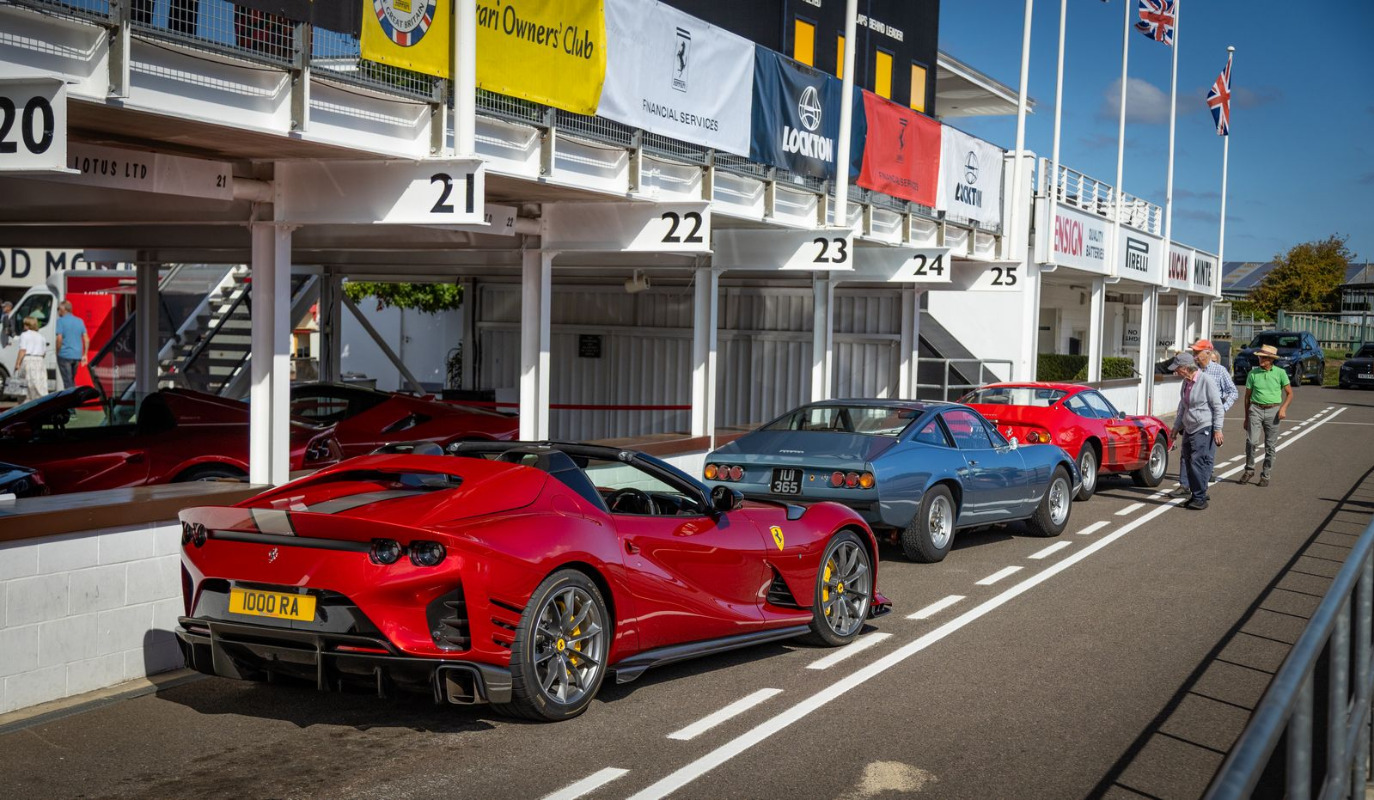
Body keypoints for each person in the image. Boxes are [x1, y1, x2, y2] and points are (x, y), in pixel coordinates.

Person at [1172, 339, 1238, 496]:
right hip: (1190, 419)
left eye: (1197, 352)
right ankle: (1185, 485)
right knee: (1186, 454)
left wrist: (1221, 410)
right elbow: (1184, 401)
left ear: (1208, 352)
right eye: (1193, 352)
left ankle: (1201, 489)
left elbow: (1233, 392)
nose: (1194, 355)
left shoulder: (1219, 371)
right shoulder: (1191, 371)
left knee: (1204, 457)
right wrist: (1177, 424)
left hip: (1208, 420)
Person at [1169, 351, 1224, 510]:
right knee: (1187, 461)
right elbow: (1183, 407)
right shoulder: (1186, 382)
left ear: (1186, 368)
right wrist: (1176, 427)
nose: (1176, 371)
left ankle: (1200, 497)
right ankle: (1196, 495)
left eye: (1178, 368)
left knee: (1197, 461)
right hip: (1189, 426)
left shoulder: (1206, 381)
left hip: (1203, 426)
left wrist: (1218, 429)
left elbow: (1218, 407)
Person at [1240, 343, 1293, 487]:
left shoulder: (1280, 373)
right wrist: (1246, 417)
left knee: (1270, 445)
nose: (1261, 360)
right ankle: (1249, 470)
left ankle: (1266, 474)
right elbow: (1247, 397)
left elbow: (1290, 393)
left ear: (1271, 360)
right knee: (1251, 441)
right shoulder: (1253, 374)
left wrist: (1283, 409)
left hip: (1273, 411)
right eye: (1260, 357)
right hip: (1255, 409)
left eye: (1264, 358)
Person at [53, 300, 88, 391]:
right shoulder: (79, 321)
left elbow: (59, 338)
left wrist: (57, 352)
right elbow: (86, 339)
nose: (58, 311)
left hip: (64, 355)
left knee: (67, 382)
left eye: (58, 309)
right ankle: (73, 397)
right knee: (71, 380)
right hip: (77, 355)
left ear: (63, 309)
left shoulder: (60, 321)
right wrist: (85, 354)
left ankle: (71, 399)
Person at [14, 316, 48, 401]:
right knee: (40, 385)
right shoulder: (41, 337)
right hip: (39, 361)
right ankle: (41, 402)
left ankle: (26, 403)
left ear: (27, 325)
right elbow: (44, 353)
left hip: (28, 360)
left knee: (26, 385)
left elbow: (22, 350)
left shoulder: (24, 335)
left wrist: (17, 363)